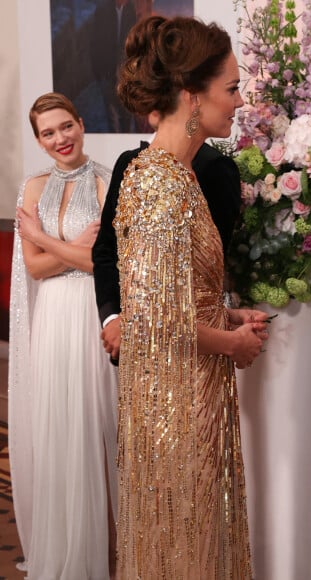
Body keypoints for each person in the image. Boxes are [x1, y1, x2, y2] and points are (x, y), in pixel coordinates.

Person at [113, 15, 269, 578]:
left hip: (188, 387)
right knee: (183, 538)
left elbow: (174, 295)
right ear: (189, 94)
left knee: (196, 536)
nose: (238, 99)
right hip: (175, 400)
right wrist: (232, 343)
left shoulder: (175, 176)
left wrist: (227, 313)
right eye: (230, 88)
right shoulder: (159, 184)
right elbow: (155, 320)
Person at [8, 92, 118, 578]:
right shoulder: (31, 189)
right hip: (52, 319)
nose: (60, 139)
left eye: (65, 127)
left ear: (80, 123)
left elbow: (105, 264)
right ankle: (71, 556)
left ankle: (116, 555)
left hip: (94, 316)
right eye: (48, 133)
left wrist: (48, 242)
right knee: (61, 433)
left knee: (102, 432)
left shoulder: (107, 183)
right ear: (38, 140)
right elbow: (33, 270)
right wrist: (72, 248)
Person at [93, 136, 242, 364]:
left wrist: (229, 322)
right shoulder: (129, 163)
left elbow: (203, 280)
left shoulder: (215, 168)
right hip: (142, 350)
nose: (239, 102)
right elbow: (106, 249)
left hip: (193, 354)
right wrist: (113, 317)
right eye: (231, 95)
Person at [90, 0, 137, 132]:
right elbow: (95, 42)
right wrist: (98, 72)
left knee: (126, 113)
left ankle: (125, 139)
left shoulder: (130, 10)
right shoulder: (102, 11)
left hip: (126, 72)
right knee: (111, 114)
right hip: (107, 70)